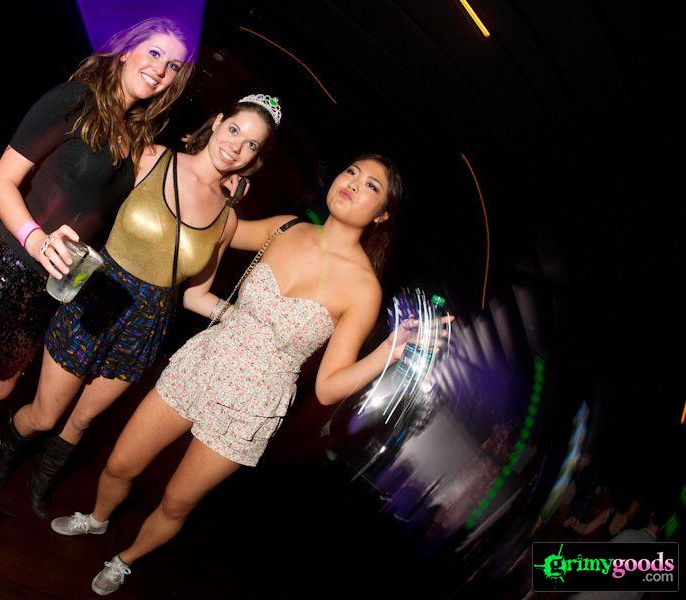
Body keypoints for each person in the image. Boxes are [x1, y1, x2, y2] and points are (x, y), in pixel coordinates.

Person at [48, 154, 447, 596]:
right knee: (121, 463)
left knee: (177, 502)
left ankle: (125, 560)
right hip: (204, 362)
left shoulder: (364, 289)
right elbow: (216, 225)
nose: (353, 183)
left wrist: (391, 351)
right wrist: (217, 191)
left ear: (382, 214)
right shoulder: (286, 228)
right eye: (352, 171)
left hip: (252, 405)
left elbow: (328, 387)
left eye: (372, 185)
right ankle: (97, 519)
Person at [0, 17, 194, 491]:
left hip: (50, 284)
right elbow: (2, 182)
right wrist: (36, 240)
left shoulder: (133, 137)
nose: (160, 69)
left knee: (2, 386)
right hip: (8, 262)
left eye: (173, 65)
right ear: (127, 51)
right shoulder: (74, 100)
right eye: (154, 53)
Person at [0, 95, 280, 519]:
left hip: (148, 324)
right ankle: (7, 448)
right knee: (47, 415)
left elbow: (195, 294)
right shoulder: (151, 158)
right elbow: (90, 196)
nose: (236, 146)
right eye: (234, 130)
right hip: (98, 296)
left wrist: (246, 320)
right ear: (217, 122)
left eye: (251, 144)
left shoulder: (227, 218)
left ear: (256, 158)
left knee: (81, 420)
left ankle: (42, 480)